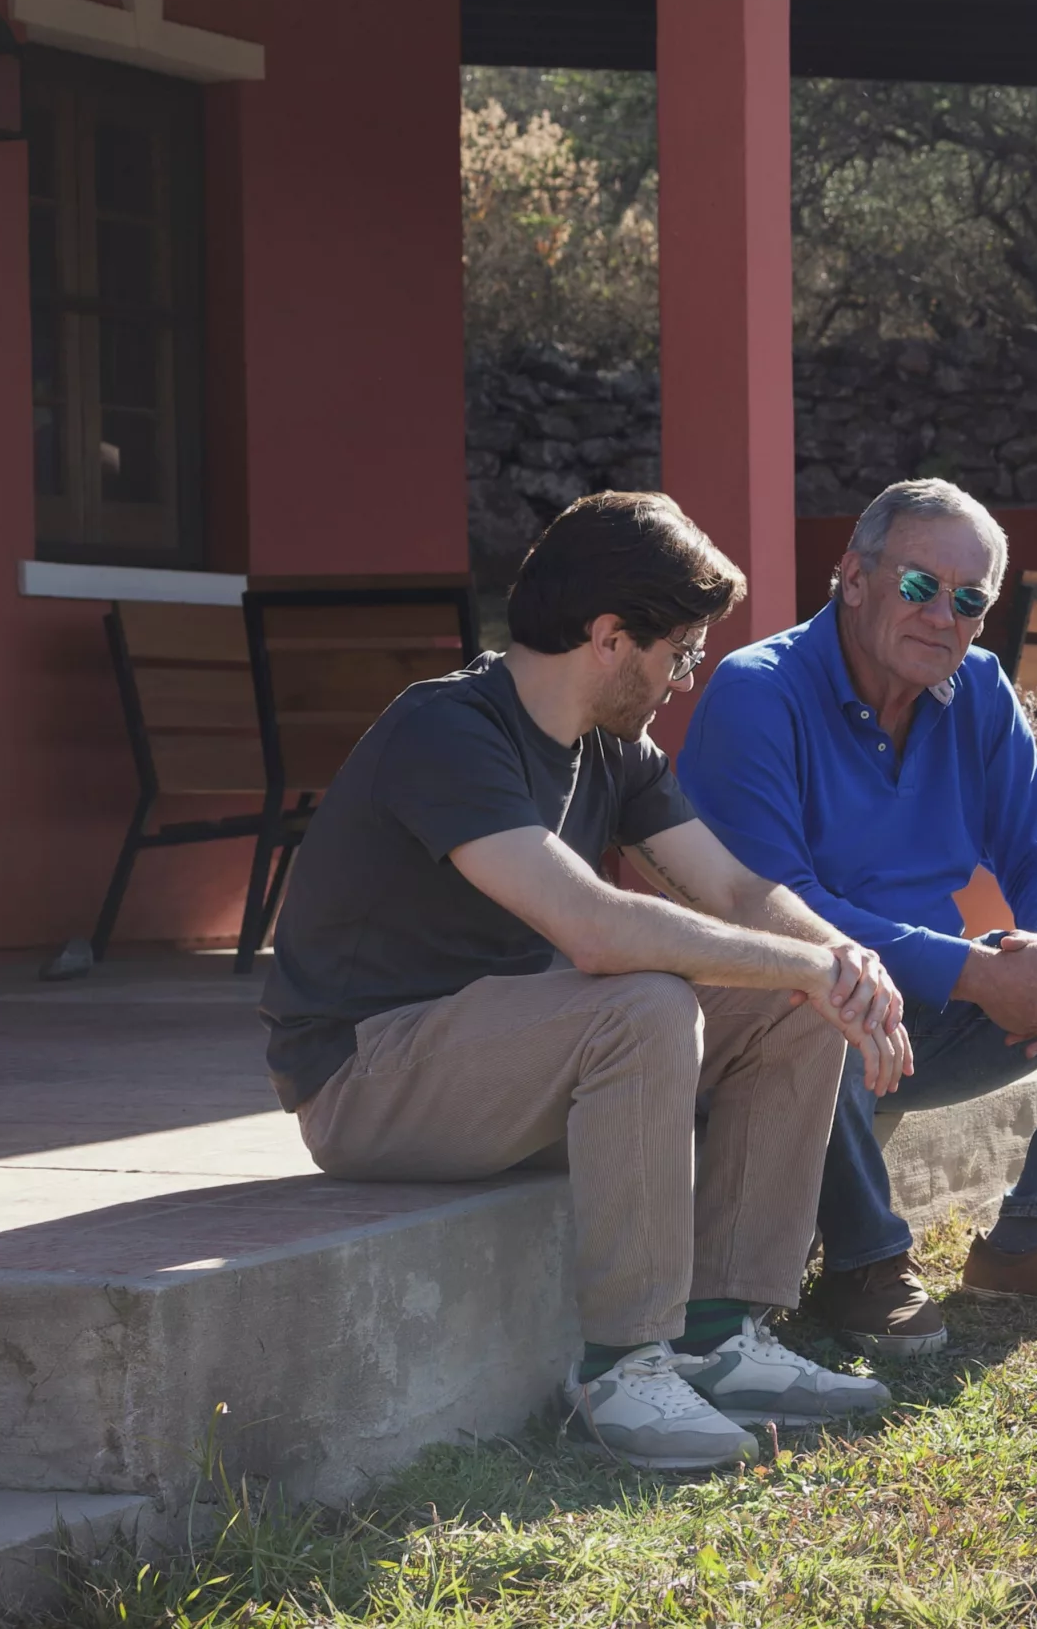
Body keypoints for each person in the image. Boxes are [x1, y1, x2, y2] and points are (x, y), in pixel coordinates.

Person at [260, 492, 915, 1471]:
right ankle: (622, 1366)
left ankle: (721, 1332)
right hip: (365, 1078)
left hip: (503, 1063)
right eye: (680, 652)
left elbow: (735, 888)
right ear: (611, 638)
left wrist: (844, 963)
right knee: (644, 1001)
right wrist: (813, 964)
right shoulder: (447, 728)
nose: (684, 680)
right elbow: (597, 931)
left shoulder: (616, 751)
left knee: (790, 1005)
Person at [678, 478, 1037, 1355]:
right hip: (795, 1024)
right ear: (854, 578)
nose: (944, 617)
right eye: (921, 586)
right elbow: (776, 907)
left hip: (932, 1012)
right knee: (809, 977)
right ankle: (864, 1265)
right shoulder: (758, 692)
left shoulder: (978, 688)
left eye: (971, 601)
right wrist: (975, 972)